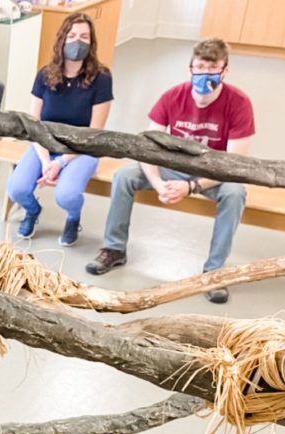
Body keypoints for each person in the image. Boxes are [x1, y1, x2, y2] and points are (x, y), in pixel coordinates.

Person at [86, 38, 255, 304]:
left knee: (235, 193)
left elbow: (233, 165)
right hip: (172, 167)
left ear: (225, 70)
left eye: (212, 68)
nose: (205, 74)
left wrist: (193, 187)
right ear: (190, 68)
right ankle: (114, 248)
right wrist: (156, 181)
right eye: (200, 67)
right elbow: (146, 146)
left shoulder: (239, 103)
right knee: (124, 176)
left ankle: (214, 273)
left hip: (214, 174)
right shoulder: (173, 96)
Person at [6, 12, 113, 246]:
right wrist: (46, 162)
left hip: (82, 148)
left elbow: (95, 133)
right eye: (72, 35)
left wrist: (61, 162)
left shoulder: (102, 78)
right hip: (45, 145)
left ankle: (74, 218)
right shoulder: (45, 75)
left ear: (91, 42)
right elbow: (34, 125)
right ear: (62, 39)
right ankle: (33, 211)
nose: (77, 41)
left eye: (84, 37)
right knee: (17, 189)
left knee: (67, 196)